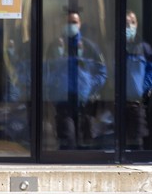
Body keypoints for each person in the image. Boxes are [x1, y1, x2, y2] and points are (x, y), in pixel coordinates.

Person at [43, 9, 108, 149]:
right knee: (67, 141)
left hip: (84, 103)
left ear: (80, 24)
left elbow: (102, 73)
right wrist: (54, 87)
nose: (71, 25)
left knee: (85, 144)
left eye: (74, 22)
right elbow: (46, 72)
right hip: (63, 102)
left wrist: (90, 86)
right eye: (68, 22)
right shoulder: (55, 46)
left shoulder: (89, 47)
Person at [125, 10, 152, 150]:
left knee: (136, 143)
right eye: (126, 24)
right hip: (118, 103)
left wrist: (142, 88)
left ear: (137, 24)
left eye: (132, 23)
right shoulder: (115, 46)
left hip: (136, 103)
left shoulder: (144, 48)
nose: (129, 27)